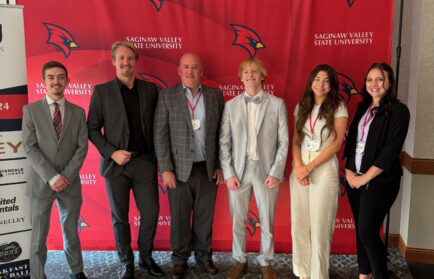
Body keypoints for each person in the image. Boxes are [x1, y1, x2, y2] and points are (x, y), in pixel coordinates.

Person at [87, 41, 163, 279]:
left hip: (144, 163)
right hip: (115, 165)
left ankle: (146, 258)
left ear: (135, 61)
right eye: (121, 58)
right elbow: (91, 129)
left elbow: (159, 127)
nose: (125, 62)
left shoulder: (150, 90)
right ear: (113, 61)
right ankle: (126, 263)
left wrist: (158, 160)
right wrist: (111, 152)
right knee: (120, 217)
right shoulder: (102, 91)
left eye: (129, 58)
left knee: (150, 212)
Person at [154, 52, 224, 279]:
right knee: (180, 217)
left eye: (195, 67)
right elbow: (160, 135)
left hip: (207, 168)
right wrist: (165, 169)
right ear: (179, 70)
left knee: (205, 216)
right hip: (178, 170)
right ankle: (179, 260)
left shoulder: (215, 96)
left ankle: (204, 256)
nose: (190, 72)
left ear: (201, 71)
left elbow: (223, 134)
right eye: (186, 67)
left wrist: (220, 165)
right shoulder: (167, 96)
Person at [219, 57, 289, 279]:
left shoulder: (277, 104)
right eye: (246, 72)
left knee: (267, 219)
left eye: (254, 72)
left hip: (266, 171)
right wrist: (228, 174)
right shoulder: (230, 106)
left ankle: (266, 261)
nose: (250, 75)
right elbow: (224, 142)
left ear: (262, 76)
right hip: (238, 171)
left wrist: (276, 172)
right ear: (240, 78)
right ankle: (239, 259)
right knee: (238, 218)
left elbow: (284, 141)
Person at [22, 61, 88, 279]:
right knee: (39, 236)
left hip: (69, 183)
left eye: (60, 77)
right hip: (42, 183)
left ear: (68, 81)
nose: (56, 81)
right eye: (50, 77)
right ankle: (38, 275)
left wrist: (65, 177)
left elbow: (82, 147)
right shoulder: (30, 111)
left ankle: (77, 270)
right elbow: (30, 147)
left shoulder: (78, 112)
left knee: (71, 231)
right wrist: (52, 176)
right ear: (43, 82)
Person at [343, 63, 410, 279]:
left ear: (389, 82)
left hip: (382, 181)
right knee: (361, 231)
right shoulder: (363, 107)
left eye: (380, 79)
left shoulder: (399, 111)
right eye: (370, 79)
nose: (374, 84)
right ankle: (364, 274)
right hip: (355, 179)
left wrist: (364, 179)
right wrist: (349, 171)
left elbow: (390, 151)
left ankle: (380, 275)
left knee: (367, 232)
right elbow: (353, 140)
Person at [290, 64, 348, 279]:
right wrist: (299, 168)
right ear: (311, 81)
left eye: (325, 80)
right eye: (317, 79)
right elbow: (296, 140)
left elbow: (335, 145)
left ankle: (318, 275)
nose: (320, 84)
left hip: (323, 169)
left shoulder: (338, 106)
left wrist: (309, 168)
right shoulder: (302, 105)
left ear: (332, 85)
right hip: (299, 167)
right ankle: (302, 272)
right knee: (300, 225)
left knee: (321, 227)